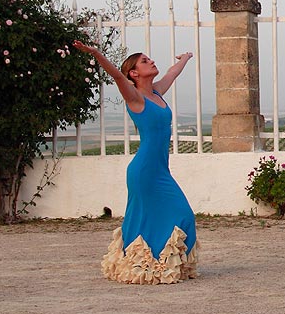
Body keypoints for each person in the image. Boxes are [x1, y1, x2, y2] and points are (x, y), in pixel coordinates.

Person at [73, 40, 200, 284]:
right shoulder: (135, 97)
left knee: (181, 215)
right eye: (144, 61)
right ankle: (140, 264)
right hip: (143, 171)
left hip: (159, 170)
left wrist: (185, 58)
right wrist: (96, 54)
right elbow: (118, 78)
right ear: (133, 73)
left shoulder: (157, 92)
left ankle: (157, 264)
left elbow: (172, 73)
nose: (151, 61)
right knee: (145, 217)